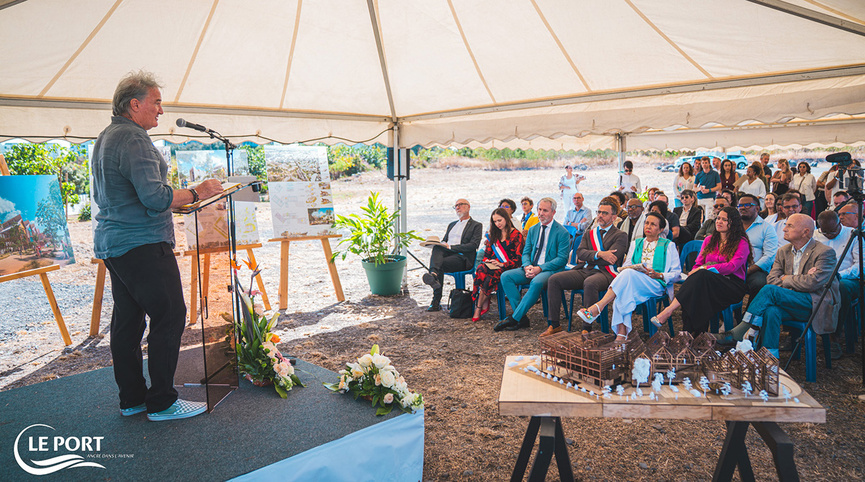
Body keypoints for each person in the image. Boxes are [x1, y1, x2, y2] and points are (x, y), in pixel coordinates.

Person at [92, 71, 223, 421]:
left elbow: (134, 194)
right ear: (135, 104)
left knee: (128, 322)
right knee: (170, 314)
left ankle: (133, 398)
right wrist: (199, 192)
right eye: (157, 102)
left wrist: (178, 198)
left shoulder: (107, 136)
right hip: (143, 243)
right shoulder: (133, 139)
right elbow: (154, 196)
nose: (161, 111)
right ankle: (163, 401)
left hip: (115, 244)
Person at [726, 214, 839, 358]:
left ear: (805, 231)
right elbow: (772, 279)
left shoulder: (824, 252)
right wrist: (796, 281)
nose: (784, 229)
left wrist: (785, 278)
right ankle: (770, 358)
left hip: (813, 304)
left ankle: (742, 330)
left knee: (769, 291)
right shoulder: (783, 251)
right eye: (785, 225)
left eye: (790, 225)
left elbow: (813, 283)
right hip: (788, 300)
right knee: (771, 311)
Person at [575, 213, 681, 342]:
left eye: (653, 224)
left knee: (626, 278)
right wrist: (633, 269)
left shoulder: (668, 245)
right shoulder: (636, 243)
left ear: (660, 230)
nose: (648, 226)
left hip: (656, 283)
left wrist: (659, 274)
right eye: (647, 223)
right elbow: (628, 265)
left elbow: (677, 273)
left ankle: (599, 307)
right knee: (624, 288)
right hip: (634, 281)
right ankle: (621, 334)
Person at [651, 206, 752, 335]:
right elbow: (698, 264)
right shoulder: (710, 240)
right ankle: (693, 335)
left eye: (724, 220)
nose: (719, 222)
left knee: (701, 277)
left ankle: (672, 314)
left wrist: (705, 268)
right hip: (707, 282)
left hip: (731, 284)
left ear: (733, 223)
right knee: (697, 292)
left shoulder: (741, 242)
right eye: (718, 218)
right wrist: (698, 270)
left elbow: (732, 267)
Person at [545, 198, 628, 335]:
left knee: (590, 283)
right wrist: (600, 254)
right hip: (585, 270)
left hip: (606, 273)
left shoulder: (620, 235)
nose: (600, 215)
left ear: (614, 217)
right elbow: (580, 253)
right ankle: (554, 325)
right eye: (599, 212)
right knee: (554, 279)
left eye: (604, 213)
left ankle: (586, 327)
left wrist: (592, 256)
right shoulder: (590, 233)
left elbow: (611, 260)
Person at [495, 198, 570, 332]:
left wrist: (540, 268)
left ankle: (515, 318)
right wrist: (527, 266)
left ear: (553, 212)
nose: (541, 213)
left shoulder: (562, 232)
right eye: (539, 209)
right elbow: (526, 252)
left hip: (550, 270)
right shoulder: (533, 229)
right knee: (506, 276)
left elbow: (562, 259)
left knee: (536, 282)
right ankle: (522, 317)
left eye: (545, 210)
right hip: (532, 267)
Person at [422, 199, 483, 311]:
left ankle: (436, 300)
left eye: (460, 205)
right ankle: (434, 274)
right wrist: (440, 244)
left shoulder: (476, 225)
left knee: (440, 264)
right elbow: (445, 241)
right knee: (437, 247)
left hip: (463, 257)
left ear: (468, 207)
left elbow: (473, 245)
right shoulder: (452, 225)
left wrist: (451, 247)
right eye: (455, 206)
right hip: (448, 254)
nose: (457, 207)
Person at [813, 210, 857, 359]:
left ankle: (834, 337)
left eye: (833, 231)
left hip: (848, 277)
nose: (830, 235)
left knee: (841, 288)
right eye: (826, 232)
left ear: (840, 223)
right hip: (821, 277)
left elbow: (861, 265)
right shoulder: (815, 235)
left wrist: (838, 275)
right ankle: (805, 332)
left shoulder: (853, 234)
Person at [471, 208, 524, 322]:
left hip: (510, 267)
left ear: (506, 219)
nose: (497, 224)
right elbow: (486, 255)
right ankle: (483, 302)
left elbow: (518, 259)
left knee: (488, 276)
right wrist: (488, 261)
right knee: (481, 268)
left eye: (499, 220)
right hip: (494, 266)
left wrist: (502, 264)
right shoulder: (494, 235)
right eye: (495, 222)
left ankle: (479, 306)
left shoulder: (516, 235)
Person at [737, 193, 778, 306]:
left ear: (757, 208)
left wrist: (749, 270)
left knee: (760, 284)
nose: (743, 208)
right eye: (740, 205)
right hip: (733, 266)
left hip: (755, 270)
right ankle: (729, 316)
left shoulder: (767, 228)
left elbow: (769, 256)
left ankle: (750, 318)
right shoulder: (733, 226)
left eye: (747, 205)